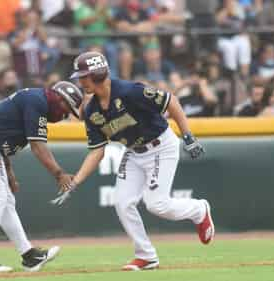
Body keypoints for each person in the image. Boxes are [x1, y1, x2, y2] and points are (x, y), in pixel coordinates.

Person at [59, 51, 215, 270]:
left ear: (99, 74)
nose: (80, 81)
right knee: (122, 202)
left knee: (157, 204)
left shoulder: (129, 91)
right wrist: (75, 181)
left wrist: (188, 136)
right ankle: (146, 255)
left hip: (161, 145)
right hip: (133, 152)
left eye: (84, 76)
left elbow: (171, 101)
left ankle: (198, 210)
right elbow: (97, 151)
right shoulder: (92, 110)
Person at [0, 81, 83, 273]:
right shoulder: (37, 101)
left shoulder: (37, 99)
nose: (65, 115)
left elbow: (1, 137)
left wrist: (9, 173)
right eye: (67, 108)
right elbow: (37, 146)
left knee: (5, 200)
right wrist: (59, 174)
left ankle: (29, 256)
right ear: (58, 98)